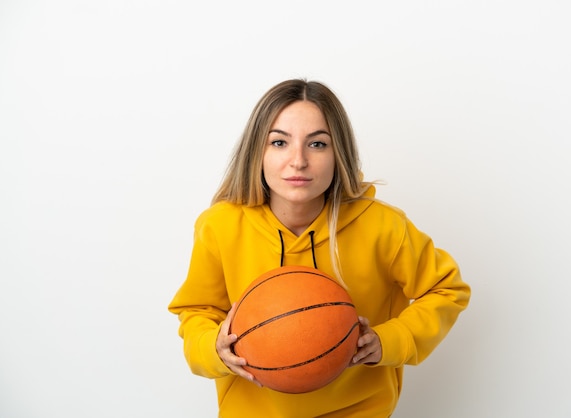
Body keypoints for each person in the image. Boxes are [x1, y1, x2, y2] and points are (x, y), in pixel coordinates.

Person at [168, 79, 471, 417]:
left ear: (338, 152)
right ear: (258, 151)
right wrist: (213, 348)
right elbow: (197, 312)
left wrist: (391, 339)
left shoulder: (382, 226)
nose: (298, 161)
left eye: (317, 144)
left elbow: (446, 289)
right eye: (280, 142)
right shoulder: (220, 226)